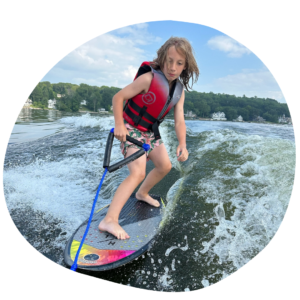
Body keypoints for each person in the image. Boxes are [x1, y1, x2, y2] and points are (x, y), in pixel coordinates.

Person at [99, 37, 199, 239]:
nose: (172, 67)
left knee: (165, 166)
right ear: (162, 58)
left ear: (185, 66)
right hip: (131, 129)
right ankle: (109, 220)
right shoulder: (148, 79)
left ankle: (142, 193)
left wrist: (183, 143)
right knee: (137, 172)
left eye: (179, 63)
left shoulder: (179, 92)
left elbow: (179, 121)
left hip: (149, 133)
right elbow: (118, 97)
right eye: (169, 61)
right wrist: (119, 125)